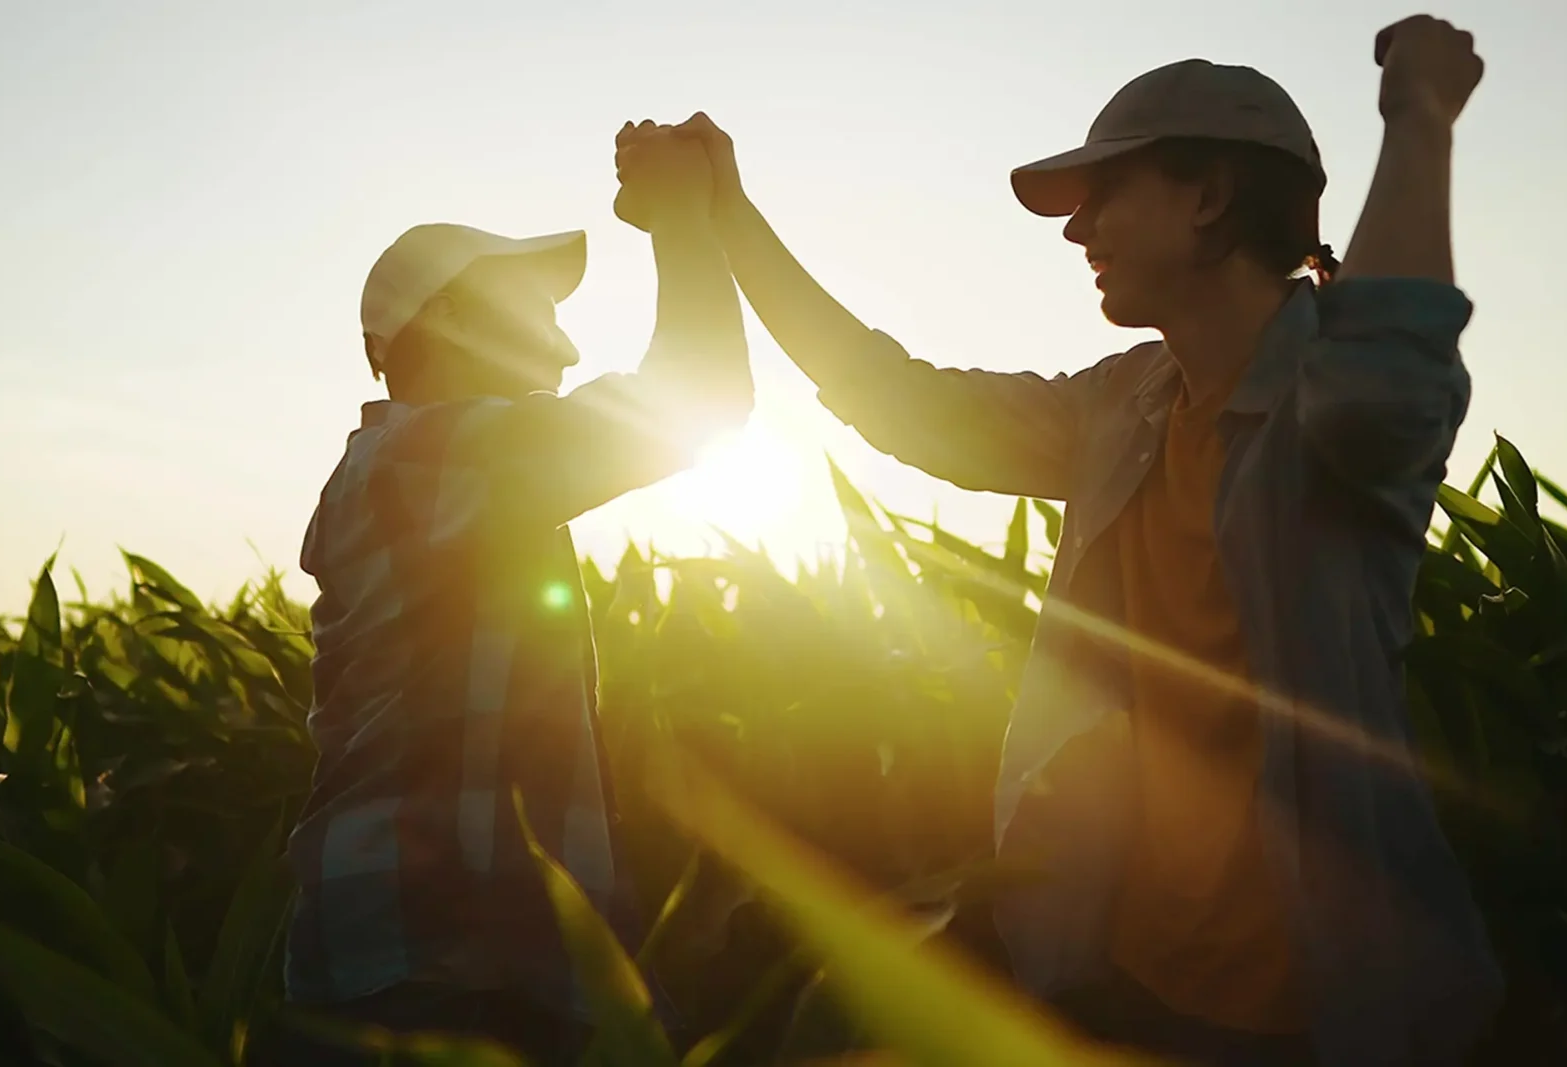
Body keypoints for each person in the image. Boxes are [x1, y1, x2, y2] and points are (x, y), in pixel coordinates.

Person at [632, 15, 1502, 1067]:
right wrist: (730, 219)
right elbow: (899, 399)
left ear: (1208, 197)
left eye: (1103, 195)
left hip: (1311, 1006)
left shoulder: (1334, 404)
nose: (1075, 230)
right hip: (1116, 970)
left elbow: (1386, 374)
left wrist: (1419, 113)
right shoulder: (1121, 408)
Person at [264, 119, 749, 1066]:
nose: (566, 352)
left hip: (429, 949)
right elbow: (702, 396)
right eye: (536, 312)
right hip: (437, 955)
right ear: (445, 321)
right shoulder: (432, 453)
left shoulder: (420, 466)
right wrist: (684, 218)